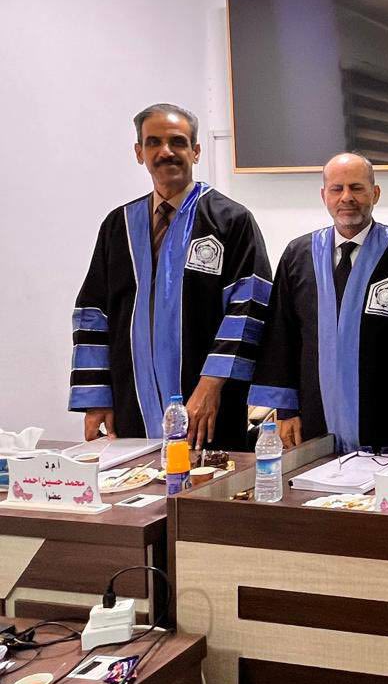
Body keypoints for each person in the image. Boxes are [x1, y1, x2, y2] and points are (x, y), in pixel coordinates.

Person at [70, 104, 271, 449]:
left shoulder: (230, 220)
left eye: (177, 142)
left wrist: (210, 385)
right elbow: (93, 313)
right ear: (139, 153)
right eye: (154, 143)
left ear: (196, 151)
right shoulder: (118, 226)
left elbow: (249, 307)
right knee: (138, 479)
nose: (166, 152)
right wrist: (96, 398)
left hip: (207, 406)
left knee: (210, 479)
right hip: (131, 402)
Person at [248, 154, 388, 453]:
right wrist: (285, 410)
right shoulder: (298, 255)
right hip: (313, 414)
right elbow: (281, 335)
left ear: (375, 193)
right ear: (324, 195)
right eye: (337, 189)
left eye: (357, 188)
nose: (347, 197)